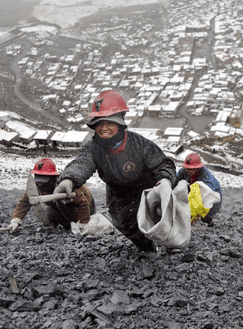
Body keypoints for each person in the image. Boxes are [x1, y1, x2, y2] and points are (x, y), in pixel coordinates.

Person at [53, 90, 176, 252]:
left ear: (120, 123)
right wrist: (68, 180)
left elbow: (162, 164)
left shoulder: (139, 144)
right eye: (99, 123)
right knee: (127, 227)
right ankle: (147, 248)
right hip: (119, 197)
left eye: (109, 122)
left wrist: (165, 182)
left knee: (161, 222)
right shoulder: (93, 147)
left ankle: (170, 246)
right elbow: (82, 163)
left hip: (148, 191)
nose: (103, 128)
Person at [8, 158, 95, 232]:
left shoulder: (66, 185)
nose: (40, 184)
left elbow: (82, 202)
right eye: (38, 179)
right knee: (51, 213)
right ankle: (59, 225)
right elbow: (25, 201)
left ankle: (73, 223)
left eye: (43, 180)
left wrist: (83, 225)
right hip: (57, 205)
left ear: (53, 178)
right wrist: (15, 221)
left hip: (85, 204)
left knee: (76, 221)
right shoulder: (36, 186)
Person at [175, 152, 222, 225]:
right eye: (187, 168)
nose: (188, 171)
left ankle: (209, 221)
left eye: (191, 169)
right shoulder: (183, 171)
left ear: (197, 168)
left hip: (212, 196)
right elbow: (175, 181)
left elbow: (207, 196)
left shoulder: (206, 177)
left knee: (204, 214)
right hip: (193, 192)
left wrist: (197, 212)